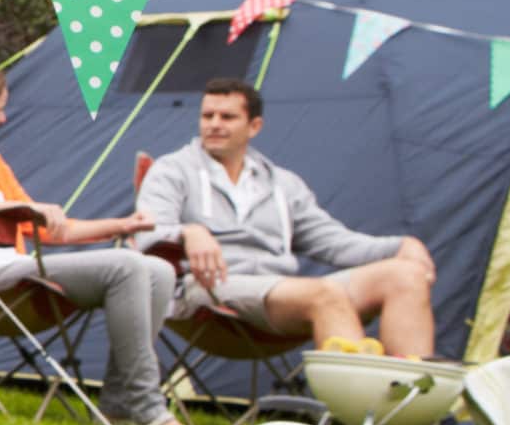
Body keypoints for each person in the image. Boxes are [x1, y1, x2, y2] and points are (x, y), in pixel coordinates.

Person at [0, 59, 200, 425]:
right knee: (127, 267)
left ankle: (117, 405)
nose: (3, 118)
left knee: (156, 269)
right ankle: (149, 409)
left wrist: (122, 225)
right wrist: (15, 209)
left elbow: (42, 228)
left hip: (15, 269)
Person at [136, 78, 437, 357]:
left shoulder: (283, 183)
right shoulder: (172, 170)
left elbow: (334, 242)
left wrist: (401, 246)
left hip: (280, 292)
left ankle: (412, 405)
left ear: (254, 126)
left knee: (405, 275)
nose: (214, 125)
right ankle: (364, 409)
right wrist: (189, 232)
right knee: (326, 294)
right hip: (208, 293)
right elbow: (146, 232)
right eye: (207, 116)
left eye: (227, 117)